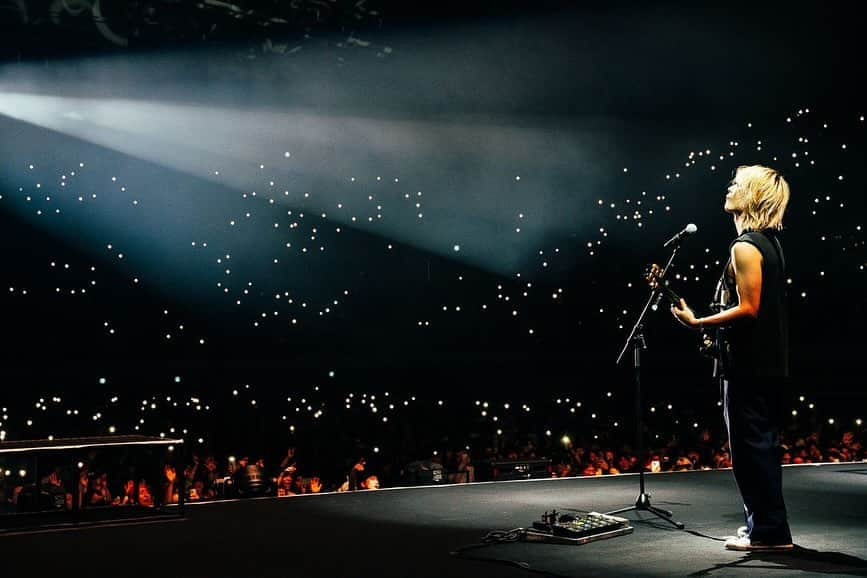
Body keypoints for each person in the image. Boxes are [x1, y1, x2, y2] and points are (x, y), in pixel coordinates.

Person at [671, 164, 793, 551]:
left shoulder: (744, 246)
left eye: (737, 185)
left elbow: (748, 308)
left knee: (749, 449)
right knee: (762, 447)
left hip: (748, 364)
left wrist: (699, 321)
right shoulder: (770, 243)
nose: (729, 188)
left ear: (753, 196)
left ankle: (769, 533)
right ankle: (765, 527)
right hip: (769, 362)